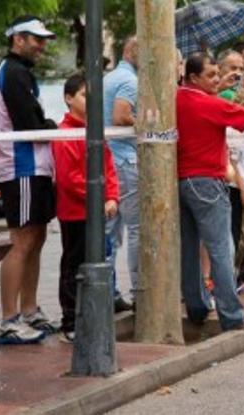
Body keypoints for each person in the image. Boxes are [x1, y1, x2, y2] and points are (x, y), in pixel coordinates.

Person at [176, 52, 244, 331]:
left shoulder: (179, 97)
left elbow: (206, 98)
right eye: (210, 75)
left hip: (182, 180)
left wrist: (218, 85)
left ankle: (197, 305)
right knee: (221, 249)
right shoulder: (207, 104)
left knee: (189, 249)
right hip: (208, 181)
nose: (217, 79)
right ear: (193, 78)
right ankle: (233, 315)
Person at [0, 16, 59, 344]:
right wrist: (49, 125)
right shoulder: (14, 74)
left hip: (34, 167)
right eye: (36, 39)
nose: (42, 45)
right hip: (21, 167)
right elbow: (30, 122)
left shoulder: (21, 73)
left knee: (37, 237)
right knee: (22, 241)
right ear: (17, 39)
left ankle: (29, 310)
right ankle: (8, 319)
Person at [52, 75, 120, 343]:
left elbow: (109, 166)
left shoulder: (94, 130)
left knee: (99, 260)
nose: (90, 101)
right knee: (74, 265)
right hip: (75, 212)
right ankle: (70, 319)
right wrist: (101, 197)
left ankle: (91, 316)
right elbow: (70, 179)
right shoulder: (64, 133)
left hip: (98, 210)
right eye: (83, 95)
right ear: (69, 99)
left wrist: (112, 195)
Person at [102, 35, 138, 313]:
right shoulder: (130, 81)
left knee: (111, 231)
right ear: (132, 51)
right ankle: (140, 291)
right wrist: (150, 121)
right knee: (136, 228)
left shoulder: (113, 77)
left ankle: (107, 292)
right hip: (125, 159)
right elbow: (120, 116)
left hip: (111, 159)